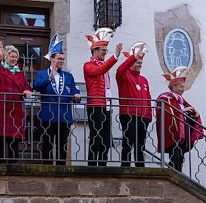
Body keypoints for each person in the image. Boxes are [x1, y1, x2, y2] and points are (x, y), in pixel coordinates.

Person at [32, 34, 81, 165]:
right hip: (48, 115)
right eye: (59, 59)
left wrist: (77, 97)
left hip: (64, 116)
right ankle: (47, 168)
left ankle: (61, 168)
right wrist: (49, 78)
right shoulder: (42, 73)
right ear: (52, 59)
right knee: (47, 144)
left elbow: (74, 90)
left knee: (62, 144)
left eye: (63, 59)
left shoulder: (68, 76)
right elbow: (36, 86)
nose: (62, 61)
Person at [0, 40, 33, 162]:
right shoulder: (0, 69)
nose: (14, 59)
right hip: (1, 110)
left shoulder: (19, 73)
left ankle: (13, 167)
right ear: (6, 57)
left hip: (15, 111)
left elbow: (25, 86)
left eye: (16, 57)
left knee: (14, 142)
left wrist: (27, 91)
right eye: (12, 56)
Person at [83, 28, 123, 166]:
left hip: (105, 105)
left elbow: (107, 86)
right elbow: (100, 70)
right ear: (94, 51)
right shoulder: (88, 65)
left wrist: (109, 104)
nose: (105, 53)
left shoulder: (103, 66)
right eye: (103, 50)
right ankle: (93, 166)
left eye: (106, 51)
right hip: (95, 106)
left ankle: (103, 165)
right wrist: (115, 57)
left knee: (106, 138)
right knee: (96, 137)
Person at [156, 66, 204, 171]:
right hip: (173, 133)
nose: (182, 89)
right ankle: (174, 171)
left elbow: (184, 115)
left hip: (183, 134)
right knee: (175, 155)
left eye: (183, 87)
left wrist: (194, 115)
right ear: (173, 86)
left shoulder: (182, 101)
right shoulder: (165, 98)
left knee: (180, 157)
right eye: (180, 86)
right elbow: (168, 113)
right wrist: (183, 112)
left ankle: (177, 172)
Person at [115, 42, 153, 168]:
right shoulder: (124, 76)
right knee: (127, 143)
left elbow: (148, 99)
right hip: (129, 115)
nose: (139, 65)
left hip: (143, 117)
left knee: (140, 146)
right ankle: (125, 167)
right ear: (131, 62)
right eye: (137, 62)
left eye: (141, 63)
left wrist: (148, 117)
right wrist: (134, 56)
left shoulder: (144, 80)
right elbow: (120, 69)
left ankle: (140, 168)